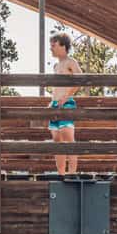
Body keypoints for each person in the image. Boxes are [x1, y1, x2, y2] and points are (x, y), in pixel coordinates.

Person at [49, 33, 83, 175]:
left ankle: (72, 173)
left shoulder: (71, 62)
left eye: (54, 45)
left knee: (68, 137)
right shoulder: (57, 65)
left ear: (63, 46)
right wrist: (53, 101)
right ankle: (61, 174)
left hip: (66, 103)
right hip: (55, 105)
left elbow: (80, 78)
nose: (51, 48)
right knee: (57, 140)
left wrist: (66, 96)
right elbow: (56, 87)